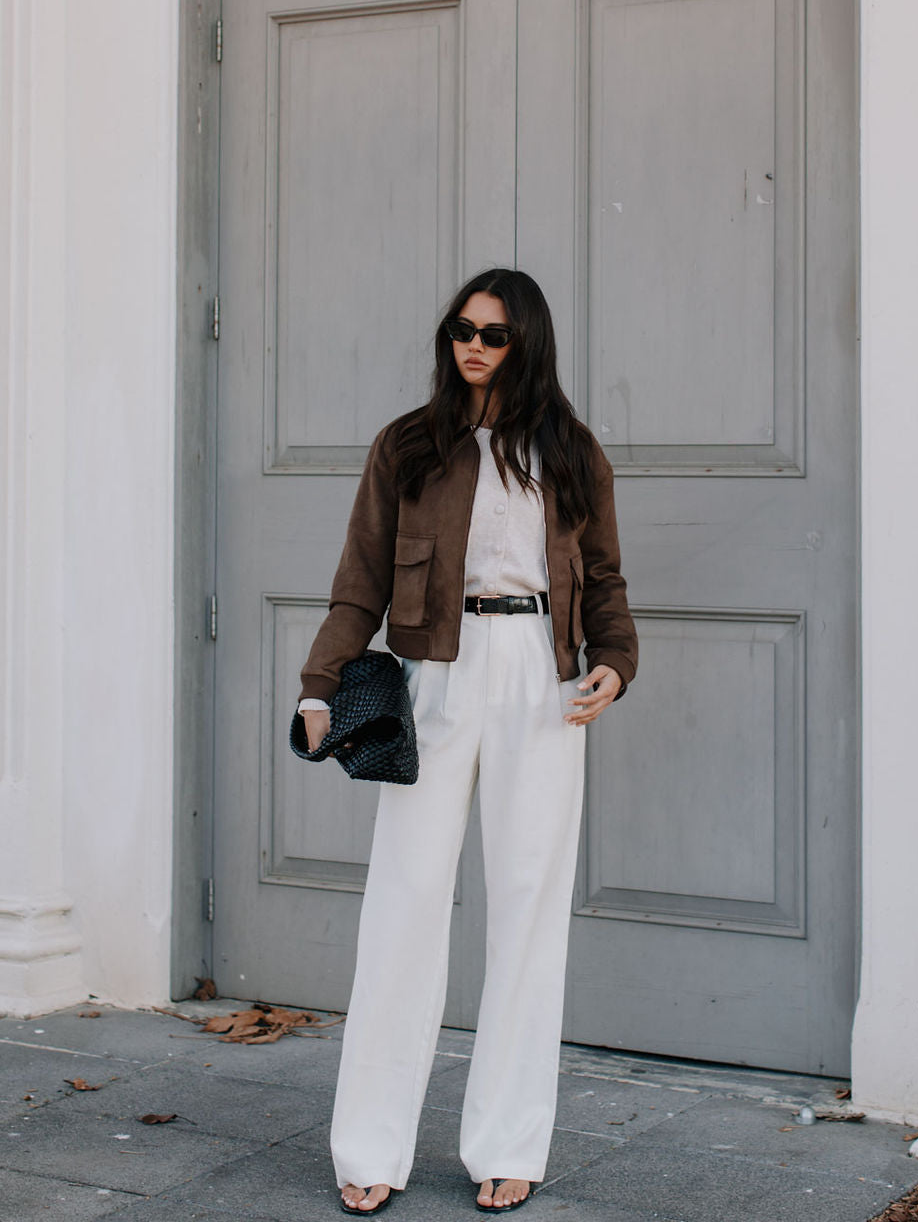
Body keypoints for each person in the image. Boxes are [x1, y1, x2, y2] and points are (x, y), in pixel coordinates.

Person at [297, 268, 638, 1215]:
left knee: (528, 907)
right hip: (433, 672)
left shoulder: (571, 451)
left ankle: (510, 1137)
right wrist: (320, 684)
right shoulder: (408, 446)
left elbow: (605, 578)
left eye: (494, 332)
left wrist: (613, 659)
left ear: (527, 342)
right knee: (404, 900)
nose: (474, 345)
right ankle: (368, 1143)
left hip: (539, 672)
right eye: (461, 329)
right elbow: (359, 579)